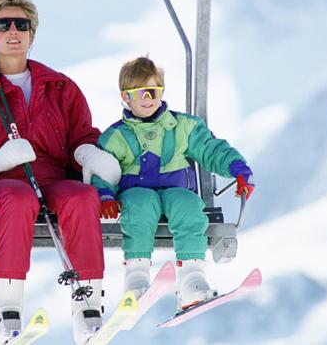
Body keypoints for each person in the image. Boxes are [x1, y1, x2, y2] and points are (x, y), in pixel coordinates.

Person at [0, 0, 121, 344]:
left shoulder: (60, 87)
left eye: (21, 24)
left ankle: (89, 307)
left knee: (81, 197)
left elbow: (82, 135)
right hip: (1, 182)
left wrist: (89, 155)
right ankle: (8, 308)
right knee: (18, 199)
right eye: (3, 25)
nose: (13, 32)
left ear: (33, 33)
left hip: (51, 177)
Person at [94, 56, 255, 310]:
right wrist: (105, 197)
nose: (148, 99)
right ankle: (137, 277)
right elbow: (102, 170)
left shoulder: (182, 127)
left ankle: (192, 277)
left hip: (175, 190)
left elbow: (210, 149)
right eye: (140, 93)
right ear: (126, 97)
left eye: (153, 91)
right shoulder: (116, 137)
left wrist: (237, 169)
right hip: (136, 193)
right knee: (140, 205)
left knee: (189, 205)